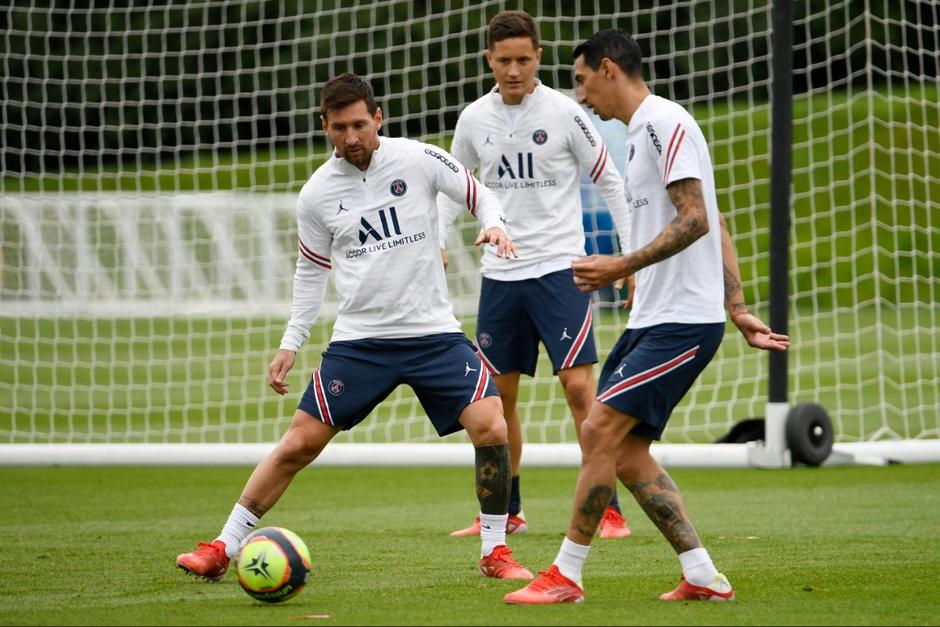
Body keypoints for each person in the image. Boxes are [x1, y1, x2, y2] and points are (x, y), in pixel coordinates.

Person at [176, 73, 534, 583]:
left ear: (378, 118)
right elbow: (310, 271)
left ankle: (495, 552)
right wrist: (290, 342)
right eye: (339, 127)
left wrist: (495, 224)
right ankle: (222, 546)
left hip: (433, 334)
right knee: (299, 444)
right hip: (360, 343)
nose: (351, 137)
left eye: (360, 125)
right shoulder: (316, 194)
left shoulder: (419, 158)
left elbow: (482, 195)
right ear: (325, 126)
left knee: (492, 425)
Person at [504, 29, 791, 605]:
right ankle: (704, 574)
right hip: (655, 320)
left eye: (583, 81)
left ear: (608, 69)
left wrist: (622, 267)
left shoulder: (665, 121)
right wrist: (736, 305)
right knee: (627, 450)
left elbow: (696, 219)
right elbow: (714, 216)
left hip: (682, 322)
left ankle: (566, 574)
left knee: (597, 430)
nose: (581, 96)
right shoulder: (639, 135)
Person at [440, 10, 634, 541]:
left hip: (560, 270)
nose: (514, 70)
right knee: (496, 400)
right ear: (489, 60)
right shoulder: (474, 119)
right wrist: (438, 242)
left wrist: (630, 255)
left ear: (539, 58)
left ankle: (609, 509)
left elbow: (611, 182)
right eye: (504, 60)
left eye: (524, 59)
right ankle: (507, 513)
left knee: (579, 389)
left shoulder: (568, 114)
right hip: (500, 276)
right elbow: (451, 185)